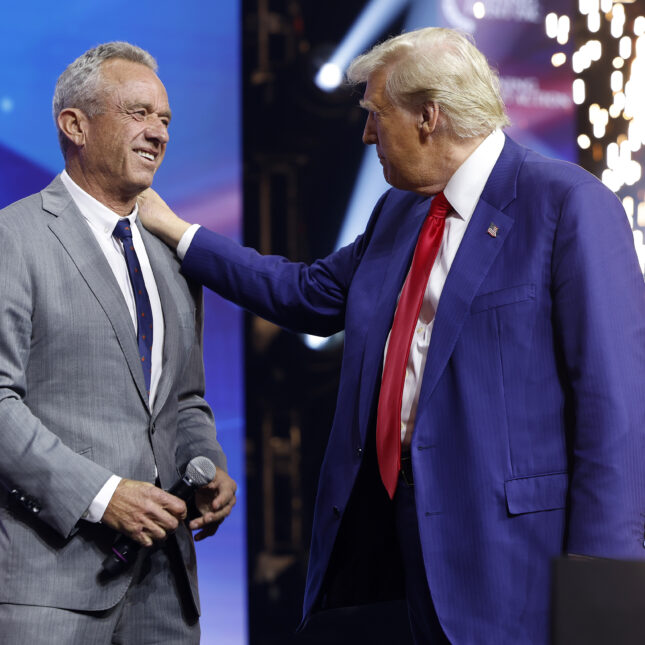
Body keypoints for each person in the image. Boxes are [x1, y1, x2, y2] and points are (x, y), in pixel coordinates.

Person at [140, 27, 645, 644]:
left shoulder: (567, 205)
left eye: (376, 113)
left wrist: (602, 588)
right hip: (390, 548)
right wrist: (176, 230)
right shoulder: (399, 211)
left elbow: (614, 404)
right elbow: (305, 294)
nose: (366, 133)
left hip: (513, 560)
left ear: (429, 115)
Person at [0, 42, 236, 644]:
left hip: (164, 590)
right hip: (49, 588)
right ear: (74, 124)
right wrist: (101, 497)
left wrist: (204, 461)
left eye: (165, 119)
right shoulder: (14, 238)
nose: (157, 132)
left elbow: (182, 399)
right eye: (137, 113)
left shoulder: (173, 256)